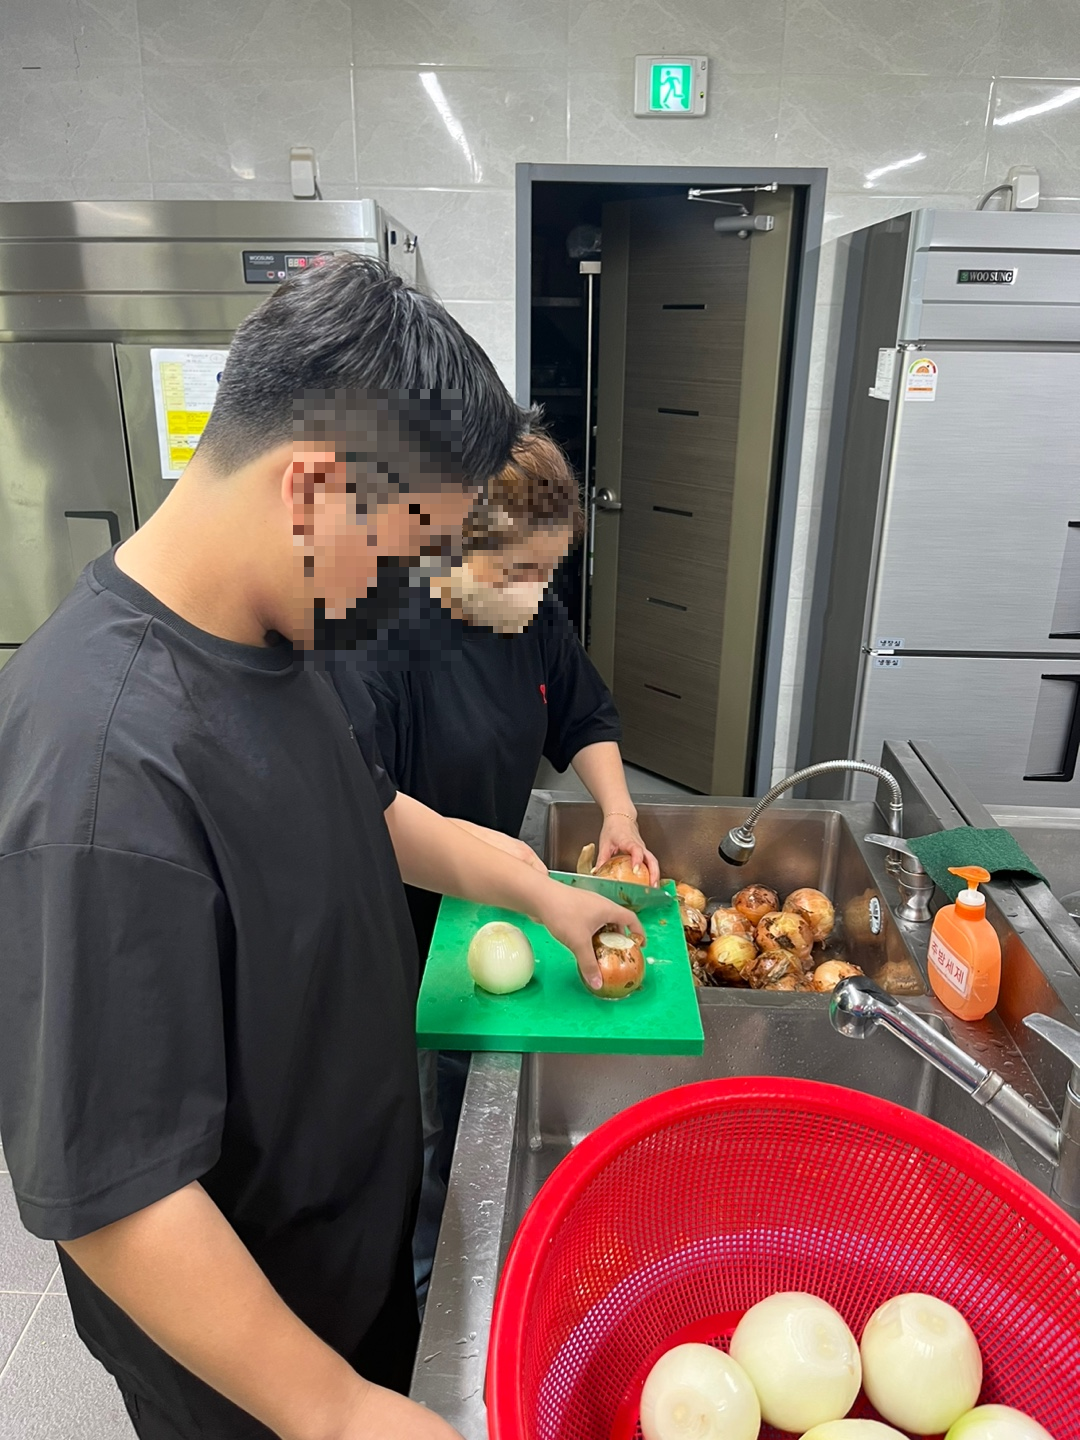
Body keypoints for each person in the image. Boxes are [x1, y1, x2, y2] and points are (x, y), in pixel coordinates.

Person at [0, 256, 639, 1440]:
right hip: (244, 1359)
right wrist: (334, 1410)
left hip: (344, 1252)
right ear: (311, 488)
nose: (402, 595)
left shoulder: (277, 640)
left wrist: (531, 888)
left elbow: (368, 809)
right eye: (406, 549)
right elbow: (114, 1194)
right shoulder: (100, 766)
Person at [328, 431, 659, 1303]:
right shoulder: (376, 635)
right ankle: (427, 1295)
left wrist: (618, 814)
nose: (537, 593)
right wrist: (534, 890)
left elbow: (583, 713)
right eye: (517, 571)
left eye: (549, 572)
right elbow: (376, 817)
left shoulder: (529, 614)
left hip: (492, 902)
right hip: (397, 925)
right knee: (416, 1131)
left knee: (478, 1106)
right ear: (447, 544)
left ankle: (480, 1265)